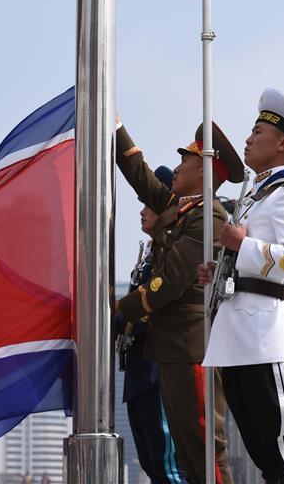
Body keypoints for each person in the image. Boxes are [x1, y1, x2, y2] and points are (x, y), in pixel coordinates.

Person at [199, 87, 284, 484]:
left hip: (268, 333)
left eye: (257, 133)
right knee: (263, 455)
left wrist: (243, 245)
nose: (248, 140)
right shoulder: (256, 195)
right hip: (238, 334)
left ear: (282, 143)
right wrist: (220, 269)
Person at [115, 119, 243, 484]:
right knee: (188, 455)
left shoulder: (209, 217)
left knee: (205, 449)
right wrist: (116, 126)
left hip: (191, 349)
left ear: (202, 171)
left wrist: (122, 308)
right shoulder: (182, 209)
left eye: (186, 160)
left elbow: (171, 281)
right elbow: (140, 176)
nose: (179, 165)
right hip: (171, 347)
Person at [116, 166, 185, 484]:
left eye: (149, 204)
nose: (142, 211)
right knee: (153, 464)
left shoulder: (173, 253)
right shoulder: (150, 255)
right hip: (139, 371)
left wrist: (121, 315)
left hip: (158, 371)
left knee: (168, 465)